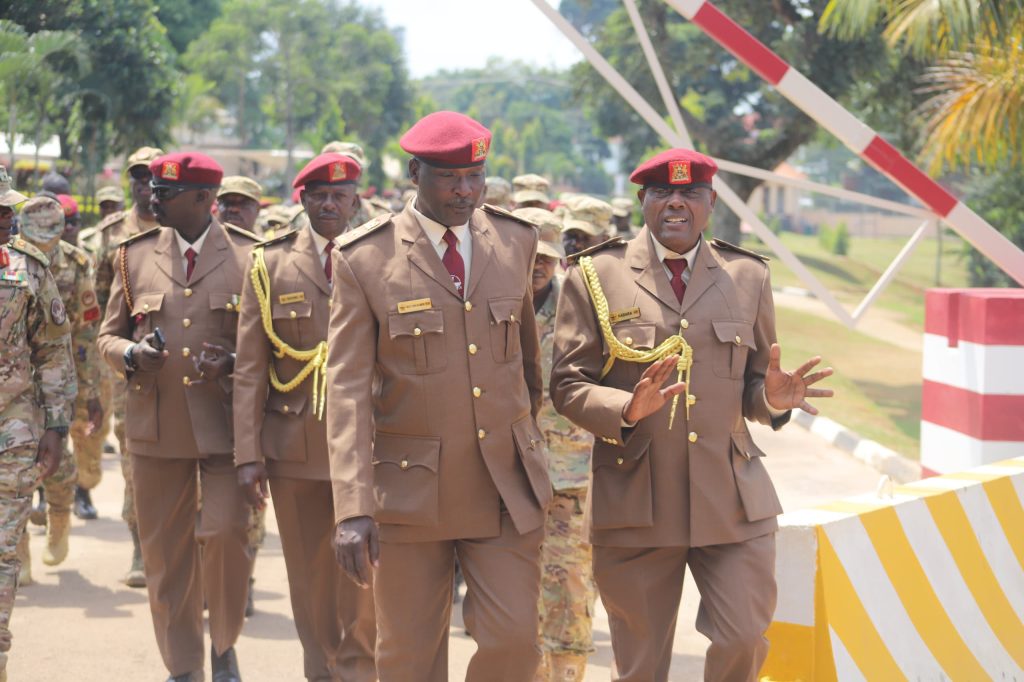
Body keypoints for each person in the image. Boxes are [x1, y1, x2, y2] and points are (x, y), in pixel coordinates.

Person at [550, 148, 834, 682]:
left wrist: (772, 397)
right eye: (662, 192)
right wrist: (624, 408)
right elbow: (567, 383)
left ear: (711, 203)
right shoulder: (596, 274)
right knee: (641, 667)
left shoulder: (747, 275)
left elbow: (753, 383)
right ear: (643, 202)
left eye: (690, 193)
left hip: (730, 498)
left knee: (744, 637)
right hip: (636, 499)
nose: (676, 203)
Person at [327, 111, 550, 682]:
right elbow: (347, 390)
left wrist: (528, 446)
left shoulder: (516, 240)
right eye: (451, 178)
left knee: (516, 642)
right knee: (408, 656)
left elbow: (528, 367)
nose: (466, 191)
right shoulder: (364, 258)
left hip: (504, 487)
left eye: (475, 176)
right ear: (413, 172)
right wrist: (353, 506)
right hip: (410, 493)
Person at [97, 152, 259, 682]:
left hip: (226, 426)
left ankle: (225, 642)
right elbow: (107, 334)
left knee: (227, 533)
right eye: (152, 191)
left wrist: (233, 363)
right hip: (157, 424)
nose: (152, 199)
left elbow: (270, 345)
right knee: (165, 556)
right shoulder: (133, 256)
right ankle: (185, 666)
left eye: (165, 193)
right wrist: (130, 354)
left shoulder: (250, 256)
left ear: (202, 200)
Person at [234, 152, 377, 681]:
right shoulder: (270, 263)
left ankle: (359, 672)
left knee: (367, 575)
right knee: (310, 577)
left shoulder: (379, 255)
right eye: (318, 195)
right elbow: (250, 368)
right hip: (295, 446)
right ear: (302, 200)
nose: (329, 204)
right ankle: (322, 669)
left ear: (356, 199)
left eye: (340, 194)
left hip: (369, 444)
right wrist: (247, 455)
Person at [513, 207, 596, 681]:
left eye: (547, 256)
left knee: (568, 592)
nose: (539, 265)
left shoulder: (583, 308)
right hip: (507, 478)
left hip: (569, 477)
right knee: (510, 599)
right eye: (531, 255)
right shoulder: (492, 304)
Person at [0, 165, 75, 681]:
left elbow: (52, 349)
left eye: (8, 208)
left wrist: (56, 427)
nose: (6, 217)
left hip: (13, 434)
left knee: (3, 553)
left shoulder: (27, 267)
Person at [83, 145, 164, 588]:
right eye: (137, 175)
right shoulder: (110, 235)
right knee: (134, 458)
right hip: (125, 370)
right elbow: (94, 310)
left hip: (178, 368)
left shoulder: (184, 226)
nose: (143, 183)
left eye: (152, 175)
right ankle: (139, 547)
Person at [16, 196, 103, 569]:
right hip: (15, 379)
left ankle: (60, 520)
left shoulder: (77, 262)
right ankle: (17, 549)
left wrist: (90, 392)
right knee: (14, 466)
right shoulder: (11, 260)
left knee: (59, 462)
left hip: (58, 378)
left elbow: (85, 333)